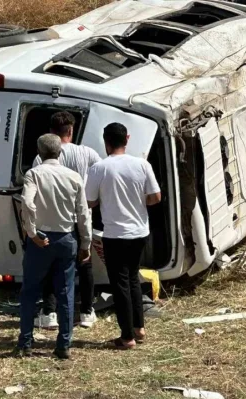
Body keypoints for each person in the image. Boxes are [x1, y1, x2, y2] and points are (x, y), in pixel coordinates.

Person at [85, 123, 161, 349]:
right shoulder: (142, 164)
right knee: (133, 278)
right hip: (139, 232)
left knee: (120, 284)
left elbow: (90, 201)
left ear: (105, 140)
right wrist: (139, 203)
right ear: (127, 138)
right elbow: (156, 196)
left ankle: (127, 336)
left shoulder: (100, 168)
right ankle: (139, 327)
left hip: (115, 234)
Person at [15, 134, 91, 359]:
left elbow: (27, 203)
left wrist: (31, 232)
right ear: (60, 152)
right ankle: (63, 345)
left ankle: (26, 342)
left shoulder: (34, 174)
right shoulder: (74, 177)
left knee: (30, 291)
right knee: (66, 292)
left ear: (39, 153)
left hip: (41, 238)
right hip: (66, 238)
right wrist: (85, 243)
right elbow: (83, 213)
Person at [34, 112, 102, 330]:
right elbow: (102, 175)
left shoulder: (41, 157)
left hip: (53, 219)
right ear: (71, 130)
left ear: (51, 132)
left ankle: (49, 313)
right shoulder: (87, 153)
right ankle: (86, 312)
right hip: (81, 217)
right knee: (85, 265)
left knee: (52, 266)